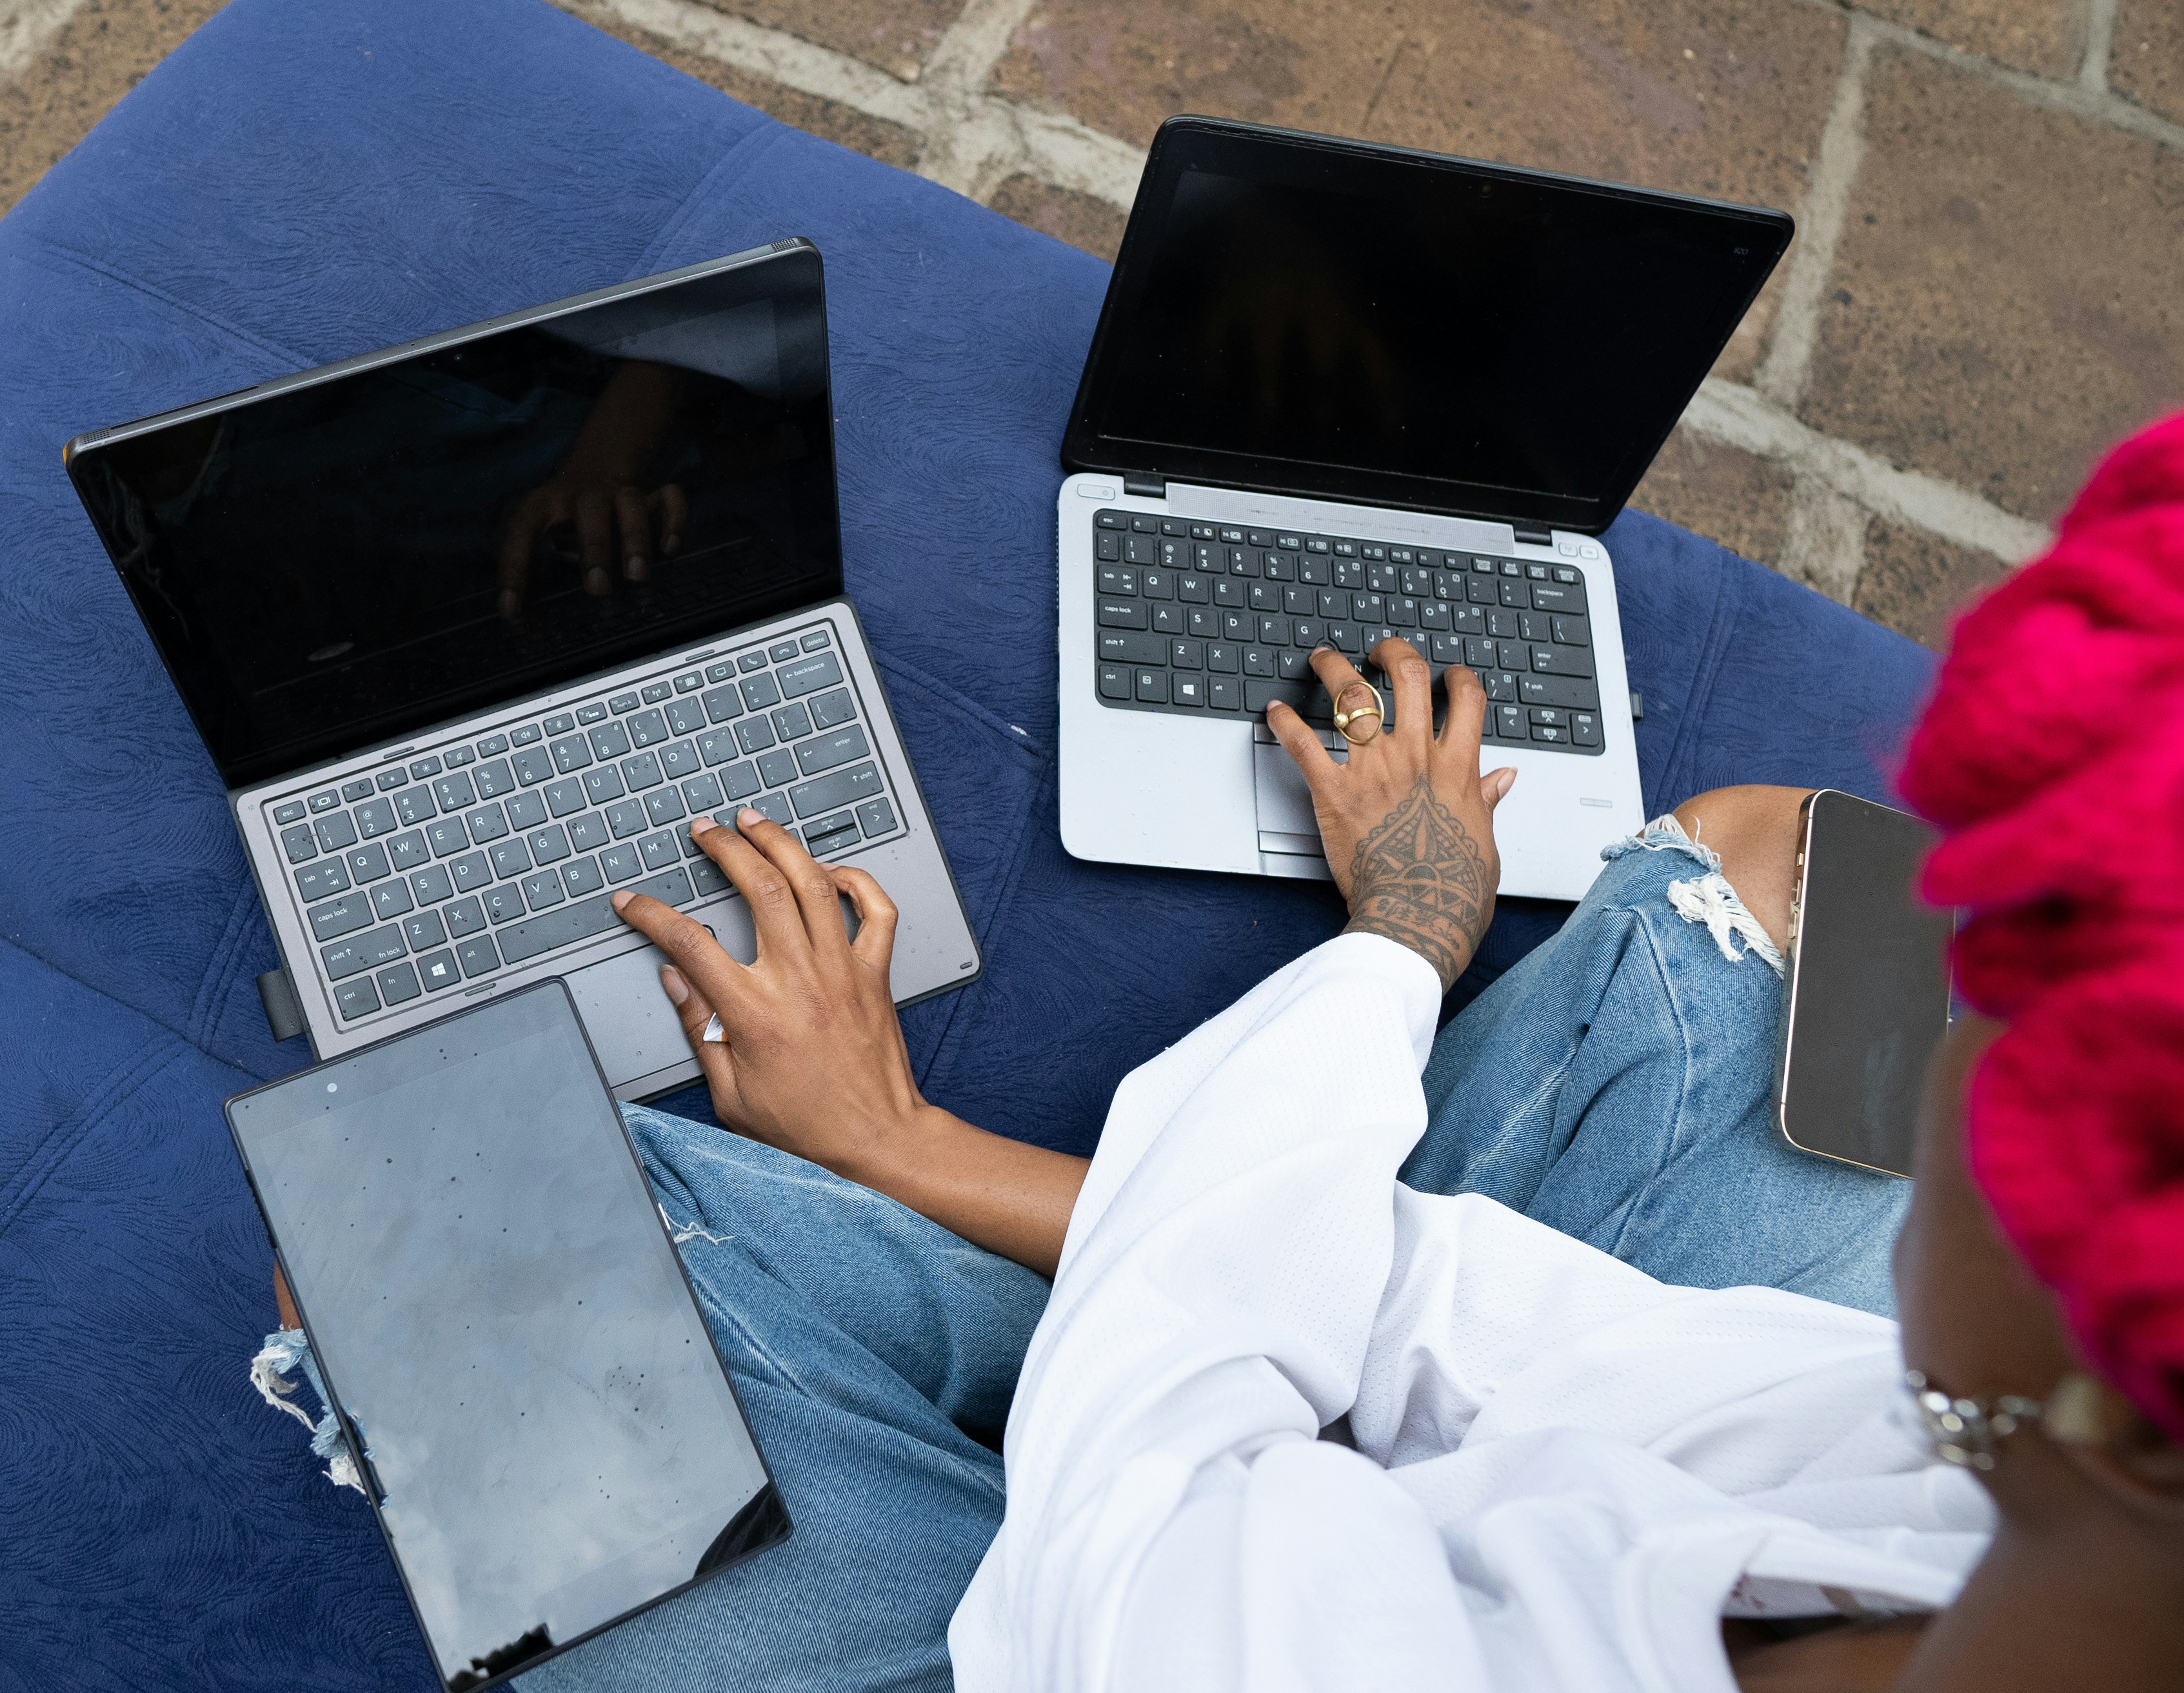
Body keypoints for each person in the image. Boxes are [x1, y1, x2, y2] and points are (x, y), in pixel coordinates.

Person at [259, 416, 2184, 1692]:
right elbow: (1482, 1324)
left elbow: (1169, 1496)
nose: (1968, 1052)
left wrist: (1408, 943)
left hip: (1119, 1616)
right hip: (1237, 1527)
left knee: (408, 1232)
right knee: (1800, 879)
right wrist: (904, 1143)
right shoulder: (1976, 1472)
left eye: (2001, 1049)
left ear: (2066, 1289)